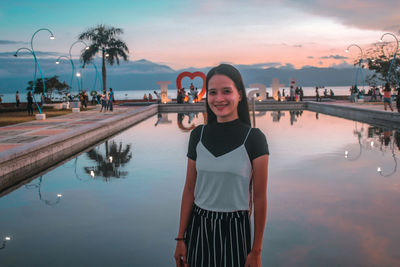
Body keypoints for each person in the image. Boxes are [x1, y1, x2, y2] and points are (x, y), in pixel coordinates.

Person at [174, 64, 269, 267]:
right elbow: (190, 188)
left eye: (226, 91)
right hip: (199, 226)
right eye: (212, 92)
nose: (219, 99)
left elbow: (259, 198)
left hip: (235, 230)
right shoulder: (197, 135)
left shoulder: (254, 139)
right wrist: (180, 239)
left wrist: (256, 251)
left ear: (240, 95)